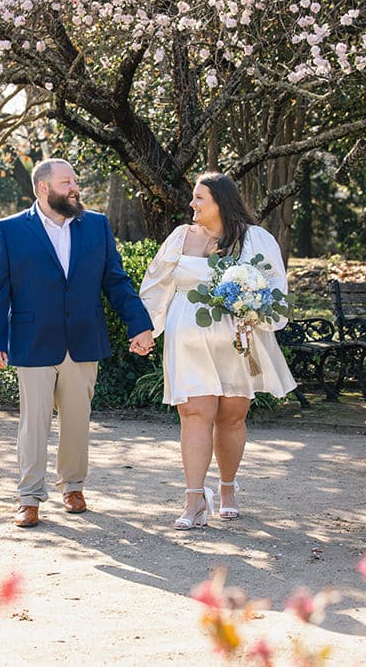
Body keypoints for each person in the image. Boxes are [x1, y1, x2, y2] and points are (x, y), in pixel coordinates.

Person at [0, 159, 155, 528]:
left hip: (83, 340)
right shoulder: (9, 230)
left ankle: (73, 487)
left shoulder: (97, 226)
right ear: (43, 188)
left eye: (75, 180)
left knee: (77, 420)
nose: (75, 187)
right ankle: (29, 497)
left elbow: (117, 282)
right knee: (34, 423)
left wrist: (139, 325)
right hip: (32, 341)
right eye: (66, 182)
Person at [139, 172, 296, 529]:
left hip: (236, 341)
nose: (192, 204)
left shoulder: (254, 239)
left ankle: (227, 490)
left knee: (231, 417)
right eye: (193, 198)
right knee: (194, 414)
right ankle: (193, 500)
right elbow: (156, 285)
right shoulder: (181, 236)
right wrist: (146, 329)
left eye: (199, 198)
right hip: (187, 342)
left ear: (220, 202)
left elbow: (274, 289)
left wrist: (254, 306)